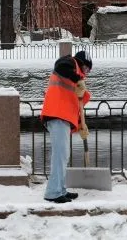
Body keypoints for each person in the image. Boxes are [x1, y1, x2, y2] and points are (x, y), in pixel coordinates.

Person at [40, 50, 93, 203]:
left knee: (63, 155)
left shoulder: (75, 78)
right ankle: (53, 193)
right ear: (82, 63)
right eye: (87, 69)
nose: (86, 73)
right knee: (59, 156)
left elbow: (75, 103)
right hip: (56, 115)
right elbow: (60, 66)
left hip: (61, 117)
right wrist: (77, 78)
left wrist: (80, 126)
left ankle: (60, 189)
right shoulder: (70, 62)